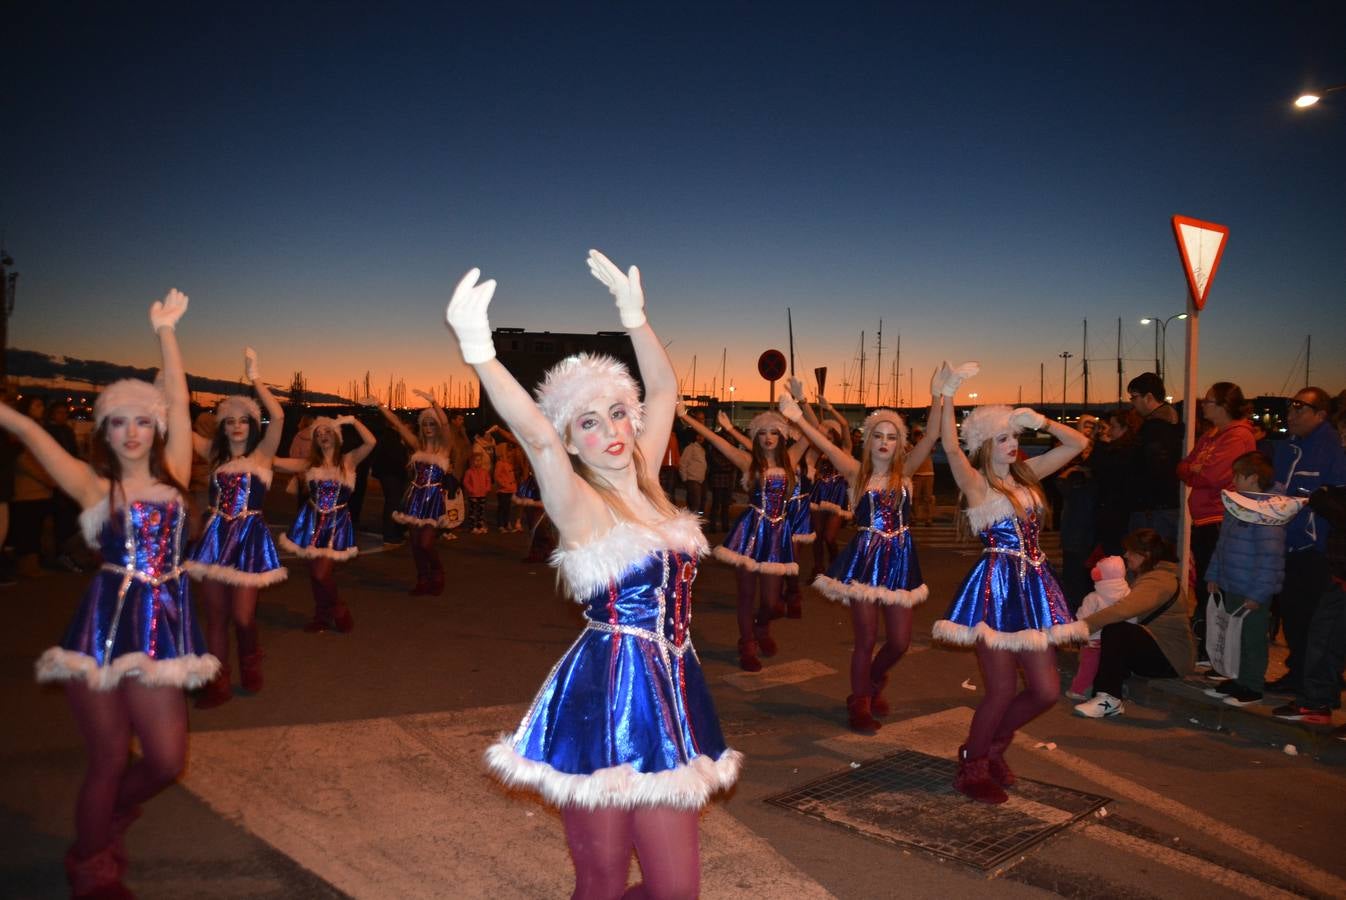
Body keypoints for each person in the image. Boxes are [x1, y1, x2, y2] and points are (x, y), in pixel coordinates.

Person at [450, 252, 739, 899]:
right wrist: (479, 350)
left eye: (614, 413)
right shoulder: (580, 507)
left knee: (675, 891)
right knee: (603, 880)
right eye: (587, 422)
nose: (608, 430)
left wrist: (636, 318)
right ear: (574, 441)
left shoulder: (653, 486)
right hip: (603, 694)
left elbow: (664, 390)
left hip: (670, 693)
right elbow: (536, 440)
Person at [4, 290, 217, 897]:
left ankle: (109, 818)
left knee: (167, 762)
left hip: (166, 630)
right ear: (104, 429)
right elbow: (24, 428)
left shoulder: (175, 474)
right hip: (100, 633)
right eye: (118, 420)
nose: (131, 431)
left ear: (156, 428)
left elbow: (176, 397)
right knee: (107, 760)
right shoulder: (94, 488)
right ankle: (91, 863)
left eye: (141, 419)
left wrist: (166, 333)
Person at [932, 375, 1090, 804]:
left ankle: (989, 748)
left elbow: (1076, 445)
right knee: (1001, 690)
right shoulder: (977, 483)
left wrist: (1041, 421)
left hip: (1035, 587)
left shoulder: (1028, 473)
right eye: (1002, 438)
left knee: (1045, 691)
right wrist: (946, 394)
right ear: (985, 445)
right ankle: (973, 767)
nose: (1011, 443)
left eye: (1014, 436)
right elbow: (948, 446)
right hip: (997, 589)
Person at [789, 366, 942, 734]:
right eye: (878, 436)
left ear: (900, 442)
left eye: (892, 436)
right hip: (867, 558)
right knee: (866, 638)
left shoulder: (907, 473)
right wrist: (800, 407)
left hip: (901, 559)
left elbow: (935, 432)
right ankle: (859, 702)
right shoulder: (856, 472)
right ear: (869, 441)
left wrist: (940, 394)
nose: (885, 442)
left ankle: (872, 682)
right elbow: (826, 444)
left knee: (901, 642)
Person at [186, 349, 289, 708]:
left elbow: (277, 416)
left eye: (243, 420)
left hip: (248, 540)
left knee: (243, 617)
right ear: (223, 425)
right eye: (230, 421)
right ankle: (218, 684)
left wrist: (255, 376)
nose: (236, 427)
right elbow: (175, 425)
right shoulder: (213, 456)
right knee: (214, 616)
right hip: (215, 538)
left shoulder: (262, 456)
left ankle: (251, 655)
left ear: (250, 424)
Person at [679, 401, 809, 672]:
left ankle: (762, 627)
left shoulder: (792, 459)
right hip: (750, 533)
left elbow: (813, 432)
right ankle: (747, 643)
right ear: (757, 437)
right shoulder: (749, 461)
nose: (768, 438)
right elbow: (717, 441)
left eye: (774, 432)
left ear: (782, 436)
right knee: (746, 596)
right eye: (763, 433)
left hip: (776, 535)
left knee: (772, 603)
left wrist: (804, 406)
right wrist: (687, 418)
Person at [1266, 387, 1346, 696]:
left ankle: (1316, 687)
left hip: (1319, 548)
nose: (1292, 413)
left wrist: (1310, 502)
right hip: (1288, 539)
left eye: (1301, 408)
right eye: (1291, 406)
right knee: (1293, 613)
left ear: (1321, 415)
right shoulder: (1288, 445)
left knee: (1316, 620)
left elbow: (1337, 499)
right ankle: (1298, 673)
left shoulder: (1330, 446)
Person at [1202, 452, 1298, 706]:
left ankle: (1252, 685)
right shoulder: (1239, 504)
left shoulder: (1268, 512)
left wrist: (1258, 594)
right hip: (1233, 583)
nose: (1233, 480)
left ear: (1253, 478)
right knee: (1234, 637)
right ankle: (1238, 679)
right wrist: (1214, 575)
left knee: (1252, 639)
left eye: (1237, 475)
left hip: (1251, 590)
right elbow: (1222, 544)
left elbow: (1270, 558)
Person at [1177, 381, 1256, 665]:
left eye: (1209, 401)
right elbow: (1184, 466)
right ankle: (1209, 646)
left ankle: (1218, 651)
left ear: (1224, 405)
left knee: (1216, 587)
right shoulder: (1212, 434)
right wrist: (1193, 470)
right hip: (1205, 519)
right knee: (1206, 587)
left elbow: (1211, 476)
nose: (1203, 405)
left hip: (1221, 519)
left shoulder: (1236, 437)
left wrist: (1195, 471)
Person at [276, 415, 377, 633]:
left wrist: (352, 420)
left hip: (336, 523)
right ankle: (321, 616)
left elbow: (371, 442)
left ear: (336, 436)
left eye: (327, 432)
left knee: (322, 573)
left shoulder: (348, 461)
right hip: (311, 521)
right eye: (318, 434)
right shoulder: (309, 464)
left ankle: (338, 609)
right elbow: (276, 462)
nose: (323, 436)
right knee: (315, 574)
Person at [1072, 529, 1186, 718]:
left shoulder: (1158, 581)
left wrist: (1079, 628)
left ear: (1146, 555)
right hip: (1160, 650)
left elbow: (1122, 610)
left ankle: (1110, 699)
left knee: (1116, 630)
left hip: (1170, 657)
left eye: (1131, 551)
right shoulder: (1148, 576)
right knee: (1113, 632)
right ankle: (1104, 692)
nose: (1126, 555)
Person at [367, 389, 455, 595]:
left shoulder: (444, 448)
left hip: (433, 500)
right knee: (416, 543)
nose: (429, 427)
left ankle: (437, 571)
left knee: (426, 543)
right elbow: (397, 424)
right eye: (425, 424)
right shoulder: (417, 445)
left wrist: (434, 402)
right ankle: (422, 579)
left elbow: (445, 423)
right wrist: (380, 405)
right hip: (415, 499)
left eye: (431, 423)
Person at [1274, 483, 1346, 727]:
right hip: (1339, 576)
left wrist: (1324, 498)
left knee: (1325, 639)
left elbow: (1335, 507)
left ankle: (1317, 701)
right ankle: (1317, 701)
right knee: (1324, 640)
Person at [1124, 373, 1182, 544]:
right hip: (1159, 508)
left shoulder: (1156, 429)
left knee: (1148, 561)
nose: (1132, 403)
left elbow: (1154, 468)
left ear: (1149, 397)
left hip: (1152, 510)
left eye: (1134, 397)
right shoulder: (1169, 424)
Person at [1065, 556, 1130, 701]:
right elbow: (1132, 617)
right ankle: (1114, 690)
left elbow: (1082, 619)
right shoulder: (1128, 594)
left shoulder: (1093, 598)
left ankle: (1079, 690)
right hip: (1117, 642)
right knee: (1112, 668)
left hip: (1093, 641)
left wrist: (1081, 637)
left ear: (1097, 574)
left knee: (1087, 668)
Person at [678, 427, 708, 516]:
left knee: (702, 504)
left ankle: (699, 519)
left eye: (702, 436)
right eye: (699, 436)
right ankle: (694, 523)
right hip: (692, 480)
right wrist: (685, 479)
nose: (701, 438)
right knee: (695, 505)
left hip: (701, 480)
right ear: (695, 436)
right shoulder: (690, 448)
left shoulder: (702, 449)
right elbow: (683, 463)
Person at [463, 449, 492, 534]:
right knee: (473, 511)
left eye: (479, 460)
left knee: (481, 511)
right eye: (476, 460)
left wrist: (487, 488)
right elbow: (466, 482)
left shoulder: (484, 472)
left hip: (482, 494)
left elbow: (488, 480)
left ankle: (480, 526)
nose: (478, 462)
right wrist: (471, 489)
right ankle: (473, 527)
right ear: (472, 461)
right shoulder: (469, 472)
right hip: (473, 495)